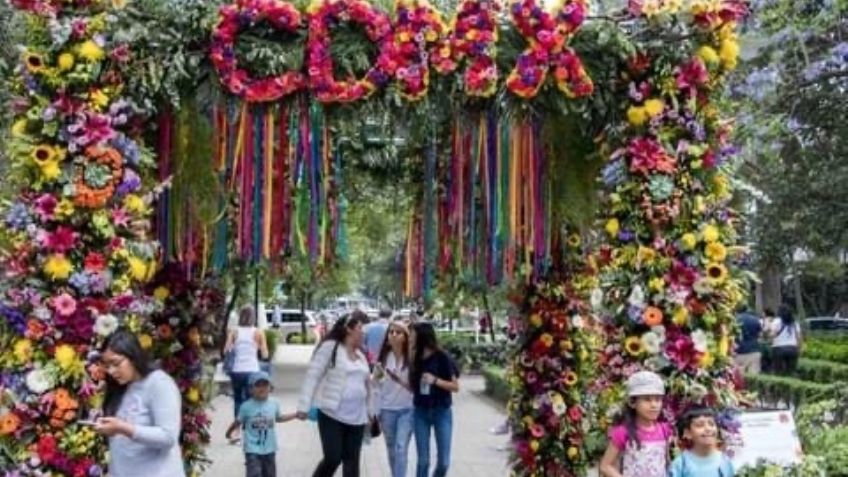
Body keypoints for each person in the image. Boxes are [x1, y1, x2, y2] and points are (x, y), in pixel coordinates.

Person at [94, 330, 185, 477]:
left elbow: (168, 437)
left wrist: (123, 428)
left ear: (133, 356)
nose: (111, 371)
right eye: (107, 366)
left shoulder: (159, 383)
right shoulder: (120, 388)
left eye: (116, 363)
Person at [296, 311, 374, 477]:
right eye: (360, 328)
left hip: (357, 417)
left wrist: (371, 411)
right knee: (333, 458)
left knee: (352, 462)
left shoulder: (361, 355)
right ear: (349, 329)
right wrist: (303, 406)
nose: (363, 332)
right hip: (332, 414)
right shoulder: (331, 347)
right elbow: (313, 376)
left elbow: (367, 386)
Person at [599, 370, 673, 477]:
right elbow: (605, 466)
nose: (654, 405)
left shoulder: (664, 429)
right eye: (647, 399)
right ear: (633, 403)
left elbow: (666, 462)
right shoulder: (623, 432)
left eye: (658, 399)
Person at [410, 322, 460, 477]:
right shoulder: (414, 357)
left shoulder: (442, 357)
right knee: (423, 461)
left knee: (444, 462)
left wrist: (435, 380)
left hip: (441, 412)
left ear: (422, 337)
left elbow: (455, 387)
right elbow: (412, 386)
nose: (410, 338)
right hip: (420, 412)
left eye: (413, 335)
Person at [225, 371, 296, 477]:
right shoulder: (246, 407)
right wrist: (228, 432)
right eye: (258, 385)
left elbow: (279, 418)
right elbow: (238, 422)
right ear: (250, 389)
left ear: (270, 388)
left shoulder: (274, 404)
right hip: (252, 449)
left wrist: (295, 415)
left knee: (270, 474)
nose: (262, 388)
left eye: (265, 385)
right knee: (254, 473)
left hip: (270, 448)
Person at [374, 321, 414, 477]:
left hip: (408, 409)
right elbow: (376, 386)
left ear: (405, 337)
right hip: (387, 410)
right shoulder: (383, 359)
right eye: (391, 332)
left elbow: (416, 386)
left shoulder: (411, 358)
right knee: (391, 448)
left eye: (398, 332)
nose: (394, 335)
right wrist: (375, 411)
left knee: (400, 447)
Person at [225, 306, 271, 432]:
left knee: (238, 399)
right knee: (252, 400)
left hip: (237, 370)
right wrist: (258, 349)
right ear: (253, 317)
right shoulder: (258, 332)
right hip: (252, 370)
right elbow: (265, 354)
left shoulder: (234, 331)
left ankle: (236, 430)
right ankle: (250, 428)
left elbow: (226, 350)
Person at [669, 407, 735, 477]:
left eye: (711, 424)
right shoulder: (681, 464)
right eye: (700, 425)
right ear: (687, 433)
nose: (708, 429)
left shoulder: (724, 461)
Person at [769, 304, 802, 374]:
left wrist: (769, 339)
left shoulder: (776, 321)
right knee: (791, 371)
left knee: (778, 371)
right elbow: (799, 337)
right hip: (792, 348)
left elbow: (772, 335)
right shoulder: (794, 322)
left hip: (779, 349)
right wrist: (799, 349)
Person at [734, 306, 762, 374]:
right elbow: (760, 334)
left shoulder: (735, 319)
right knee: (753, 376)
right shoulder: (755, 319)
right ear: (747, 310)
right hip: (754, 350)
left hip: (739, 351)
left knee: (738, 376)